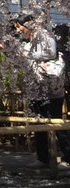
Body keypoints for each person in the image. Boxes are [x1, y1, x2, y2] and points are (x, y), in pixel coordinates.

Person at [15, 16, 70, 166]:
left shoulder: (44, 35)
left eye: (20, 26)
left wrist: (28, 54)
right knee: (38, 124)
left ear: (28, 24)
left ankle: (68, 157)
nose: (19, 30)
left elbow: (51, 53)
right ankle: (42, 157)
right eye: (16, 28)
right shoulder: (29, 42)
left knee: (57, 124)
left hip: (51, 88)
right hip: (36, 88)